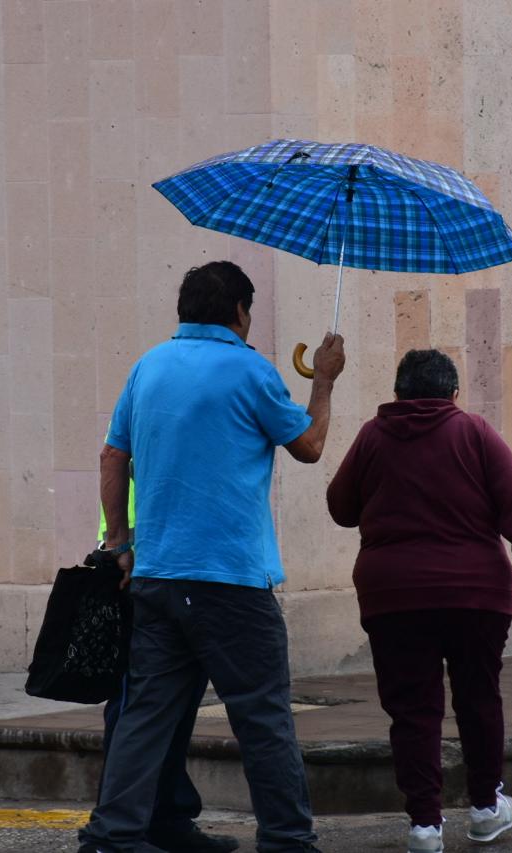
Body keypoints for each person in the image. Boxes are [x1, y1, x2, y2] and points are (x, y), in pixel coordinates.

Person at [80, 261, 345, 853]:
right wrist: (324, 380)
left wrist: (119, 543)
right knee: (262, 717)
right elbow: (309, 445)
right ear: (240, 311)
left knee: (146, 716)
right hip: (231, 581)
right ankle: (287, 841)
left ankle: (113, 837)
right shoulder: (250, 370)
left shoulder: (148, 367)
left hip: (156, 574)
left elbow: (112, 456)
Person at [325, 349, 512, 853]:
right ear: (453, 394)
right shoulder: (474, 432)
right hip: (476, 592)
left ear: (398, 392)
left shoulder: (372, 436)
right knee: (478, 696)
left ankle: (424, 826)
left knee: (413, 709)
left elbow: (341, 508)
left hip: (393, 594)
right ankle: (486, 808)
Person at [88, 491, 237, 853]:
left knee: (177, 700)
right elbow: (115, 465)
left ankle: (166, 818)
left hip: (173, 551)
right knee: (137, 706)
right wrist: (118, 543)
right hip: (141, 552)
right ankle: (116, 829)